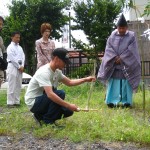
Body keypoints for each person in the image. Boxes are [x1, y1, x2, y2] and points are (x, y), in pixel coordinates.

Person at [25, 48, 96, 126]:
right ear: (56, 59)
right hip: (34, 102)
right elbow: (50, 94)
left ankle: (40, 116)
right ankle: (48, 122)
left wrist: (86, 79)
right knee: (60, 93)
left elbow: (69, 82)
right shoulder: (44, 72)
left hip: (43, 100)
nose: (65, 64)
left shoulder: (57, 71)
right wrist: (68, 105)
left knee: (68, 111)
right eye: (64, 62)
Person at [97, 14, 141, 108]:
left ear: (126, 27)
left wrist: (122, 58)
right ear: (117, 27)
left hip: (126, 65)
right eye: (119, 28)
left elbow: (132, 49)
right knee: (113, 84)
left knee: (126, 84)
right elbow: (108, 48)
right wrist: (114, 58)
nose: (121, 30)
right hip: (114, 64)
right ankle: (111, 101)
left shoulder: (131, 36)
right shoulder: (112, 36)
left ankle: (127, 102)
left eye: (123, 28)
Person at [7, 31, 25, 107]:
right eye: (16, 37)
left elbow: (23, 57)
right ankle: (10, 102)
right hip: (12, 66)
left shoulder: (20, 47)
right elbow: (12, 58)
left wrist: (22, 65)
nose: (18, 39)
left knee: (18, 84)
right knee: (12, 84)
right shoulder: (10, 47)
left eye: (19, 37)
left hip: (20, 67)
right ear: (12, 37)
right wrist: (18, 66)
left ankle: (17, 101)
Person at [0, 16, 7, 88]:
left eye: (2, 24)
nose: (1, 26)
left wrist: (4, 60)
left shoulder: (0, 38)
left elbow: (4, 50)